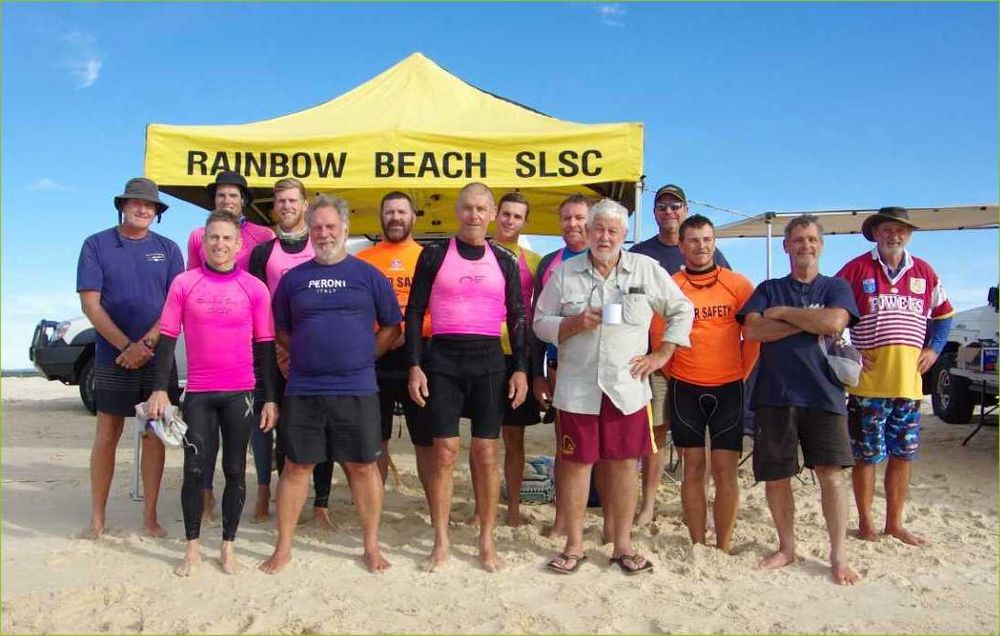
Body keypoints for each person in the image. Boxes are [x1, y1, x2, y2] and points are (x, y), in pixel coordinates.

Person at [533, 198, 694, 575]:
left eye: (612, 231)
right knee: (575, 465)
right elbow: (540, 321)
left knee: (624, 466)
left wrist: (662, 355)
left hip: (627, 388)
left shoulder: (645, 269)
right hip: (577, 388)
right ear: (587, 232)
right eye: (598, 229)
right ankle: (573, 546)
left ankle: (622, 545)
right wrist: (571, 324)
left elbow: (681, 309)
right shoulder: (565, 273)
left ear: (623, 235)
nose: (604, 237)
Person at [261, 195, 401, 574]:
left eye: (331, 227)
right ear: (310, 231)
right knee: (296, 467)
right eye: (318, 227)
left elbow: (392, 327)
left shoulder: (369, 275)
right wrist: (307, 355)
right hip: (305, 388)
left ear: (345, 229)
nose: (324, 234)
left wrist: (364, 355)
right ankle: (283, 547)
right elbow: (281, 331)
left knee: (362, 467)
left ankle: (371, 547)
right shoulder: (293, 280)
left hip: (357, 387)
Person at [146, 211, 279, 576]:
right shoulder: (184, 284)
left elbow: (265, 347)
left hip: (242, 393)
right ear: (203, 243)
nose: (220, 244)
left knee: (235, 470)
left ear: (239, 246)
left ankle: (227, 546)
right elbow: (168, 340)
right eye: (213, 238)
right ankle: (191, 548)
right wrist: (160, 389)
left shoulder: (254, 288)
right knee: (195, 470)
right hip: (200, 392)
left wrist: (270, 398)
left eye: (227, 239)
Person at [405, 182, 528, 572]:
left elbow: (519, 318)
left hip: (490, 361)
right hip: (443, 361)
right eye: (467, 208)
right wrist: (414, 365)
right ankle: (440, 542)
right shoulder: (434, 254)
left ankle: (486, 542)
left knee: (487, 452)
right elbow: (412, 313)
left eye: (481, 208)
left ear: (492, 214)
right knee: (444, 452)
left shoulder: (505, 260)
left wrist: (522, 368)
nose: (474, 215)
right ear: (458, 211)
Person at [737, 214, 861, 585]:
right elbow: (754, 328)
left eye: (811, 239)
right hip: (775, 393)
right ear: (785, 246)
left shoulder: (836, 286)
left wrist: (786, 315)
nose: (805, 245)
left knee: (832, 476)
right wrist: (810, 319)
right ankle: (787, 547)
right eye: (798, 240)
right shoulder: (768, 287)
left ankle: (838, 556)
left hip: (825, 393)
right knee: (777, 477)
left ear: (821, 245)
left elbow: (835, 323)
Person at [835, 206, 953, 546]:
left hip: (909, 385)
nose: (894, 236)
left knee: (903, 456)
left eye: (900, 231)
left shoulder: (924, 272)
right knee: (866, 457)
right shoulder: (857, 269)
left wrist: (934, 349)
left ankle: (895, 524)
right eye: (887, 230)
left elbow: (944, 316)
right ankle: (867, 522)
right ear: (875, 233)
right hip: (869, 384)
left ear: (909, 235)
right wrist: (848, 350)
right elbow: (832, 315)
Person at [76, 177, 184, 540]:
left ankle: (150, 517)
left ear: (156, 212)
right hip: (113, 357)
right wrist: (126, 346)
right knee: (108, 433)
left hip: (158, 357)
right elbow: (90, 304)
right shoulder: (96, 245)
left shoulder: (169, 249)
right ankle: (96, 518)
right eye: (136, 203)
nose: (142, 209)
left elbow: (175, 303)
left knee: (155, 434)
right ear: (123, 205)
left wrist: (147, 343)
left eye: (150, 205)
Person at [630, 183, 730, 526]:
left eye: (675, 206)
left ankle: (696, 505)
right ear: (655, 212)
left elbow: (729, 302)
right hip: (655, 358)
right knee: (655, 433)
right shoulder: (640, 252)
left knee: (695, 438)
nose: (669, 211)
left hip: (698, 362)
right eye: (662, 206)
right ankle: (648, 505)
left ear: (685, 211)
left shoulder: (709, 252)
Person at [187, 170, 275, 523]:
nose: (227, 201)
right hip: (212, 342)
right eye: (221, 196)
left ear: (244, 201)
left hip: (251, 335)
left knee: (255, 424)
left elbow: (266, 287)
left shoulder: (263, 235)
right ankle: (206, 492)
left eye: (233, 196)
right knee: (207, 428)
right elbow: (192, 283)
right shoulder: (198, 235)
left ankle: (263, 492)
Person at [668, 215, 758, 552]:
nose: (700, 246)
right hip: (685, 387)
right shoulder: (672, 285)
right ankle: (696, 541)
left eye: (706, 239)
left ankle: (723, 544)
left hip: (729, 388)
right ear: (681, 245)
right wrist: (676, 371)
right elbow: (660, 336)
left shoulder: (738, 284)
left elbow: (753, 338)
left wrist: (740, 373)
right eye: (693, 240)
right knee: (692, 469)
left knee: (725, 471)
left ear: (714, 242)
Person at [247, 177, 326, 524]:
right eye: (280, 202)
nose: (287, 207)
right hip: (274, 351)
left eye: (293, 201)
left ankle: (321, 504)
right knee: (278, 426)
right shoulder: (264, 253)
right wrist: (279, 347)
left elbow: (329, 302)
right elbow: (256, 305)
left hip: (316, 351)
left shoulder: (322, 246)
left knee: (321, 426)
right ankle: (280, 498)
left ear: (305, 205)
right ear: (273, 207)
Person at [357, 191, 432, 490]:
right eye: (389, 212)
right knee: (376, 438)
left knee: (426, 439)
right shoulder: (363, 260)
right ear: (381, 217)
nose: (396, 218)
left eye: (402, 212)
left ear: (413, 216)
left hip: (418, 357)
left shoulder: (428, 257)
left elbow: (439, 310)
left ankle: (432, 505)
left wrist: (406, 332)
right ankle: (375, 505)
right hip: (374, 355)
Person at [529, 194, 592, 537]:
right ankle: (563, 520)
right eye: (566, 218)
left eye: (579, 217)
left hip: (602, 368)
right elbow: (538, 321)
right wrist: (538, 373)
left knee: (608, 452)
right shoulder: (550, 262)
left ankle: (609, 523)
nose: (572, 224)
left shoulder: (607, 256)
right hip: (560, 364)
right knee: (565, 447)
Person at [491, 192, 543, 528]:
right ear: (496, 215)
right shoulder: (476, 252)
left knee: (514, 437)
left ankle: (511, 508)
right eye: (506, 214)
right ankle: (485, 505)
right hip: (481, 352)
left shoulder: (534, 261)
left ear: (524, 222)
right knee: (483, 439)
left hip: (517, 355)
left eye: (517, 217)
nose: (510, 221)